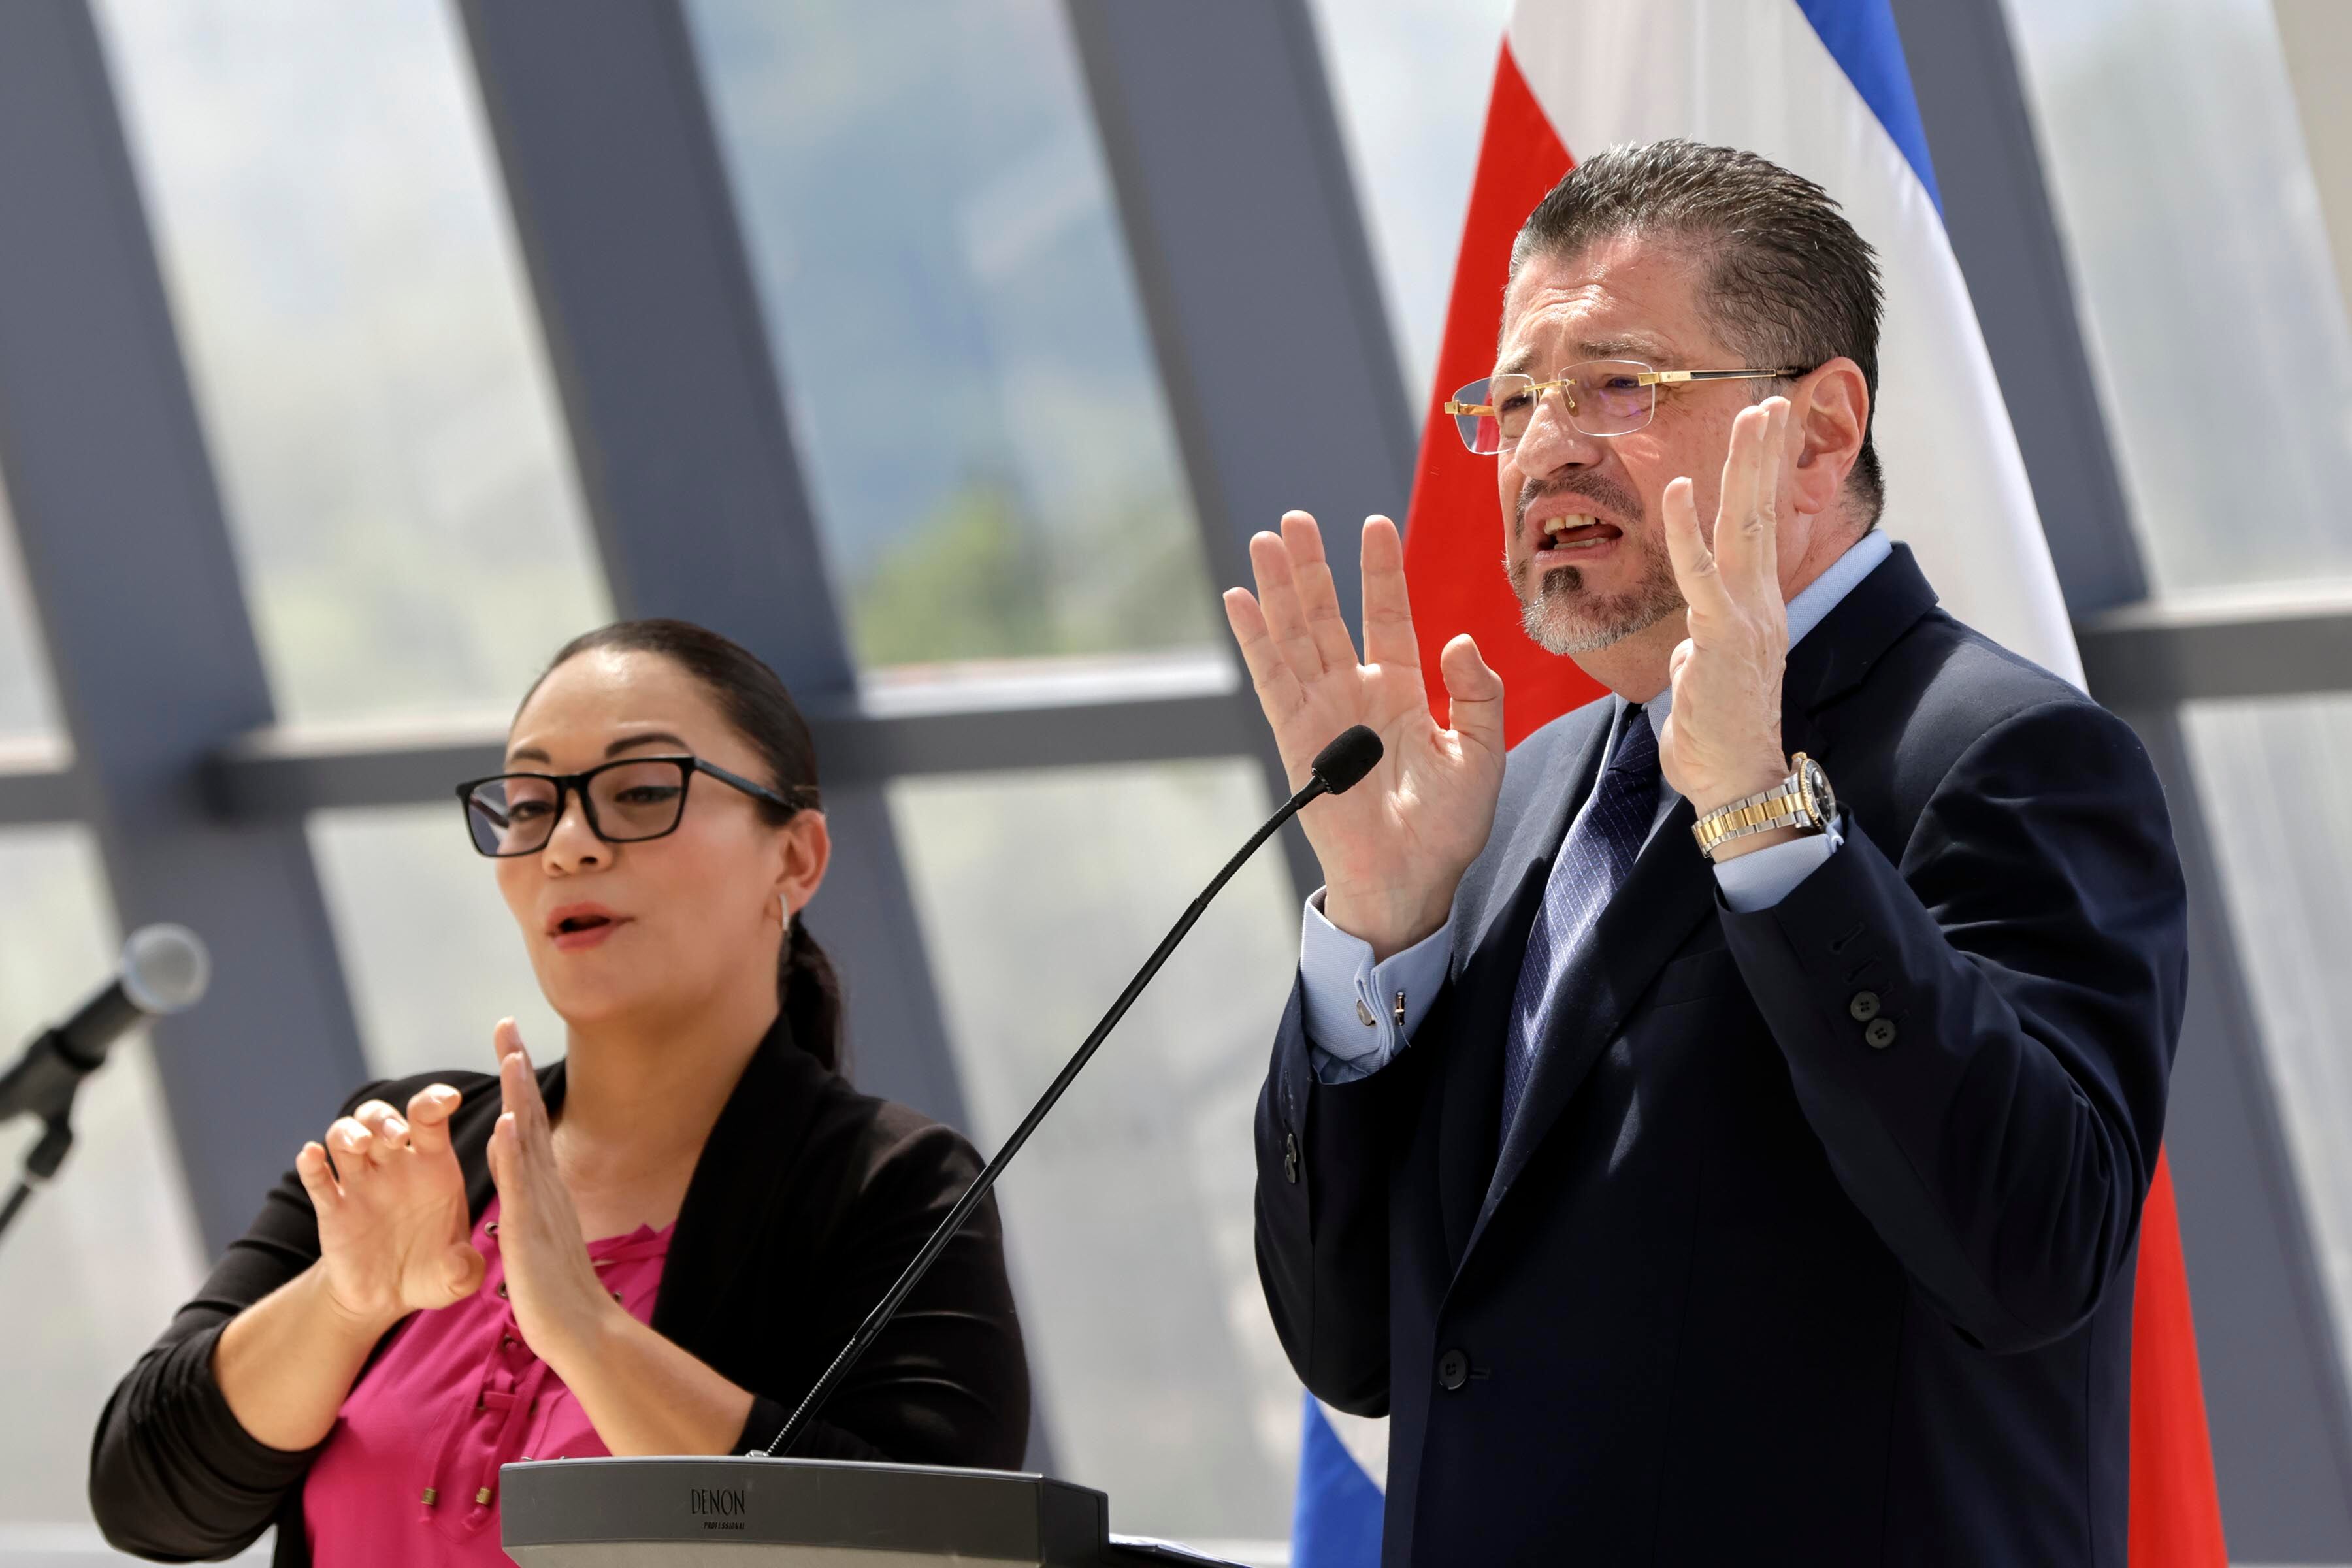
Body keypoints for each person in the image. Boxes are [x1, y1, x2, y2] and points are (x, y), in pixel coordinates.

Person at [1233, 140, 2185, 1565]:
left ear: (1819, 432)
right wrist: (1378, 928)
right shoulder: (1505, 805)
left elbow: (2032, 1248)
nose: (1548, 442)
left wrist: (1764, 817)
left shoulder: (2005, 757)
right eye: (1517, 401)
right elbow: (1358, 1348)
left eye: (1619, 385)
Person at [89, 619, 1030, 1567]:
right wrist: (343, 1300)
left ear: (794, 860)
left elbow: (930, 1545)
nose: (569, 845)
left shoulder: (894, 1191)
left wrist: (588, 1334)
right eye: (531, 807)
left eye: (642, 792)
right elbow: (147, 1504)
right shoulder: (417, 1144)